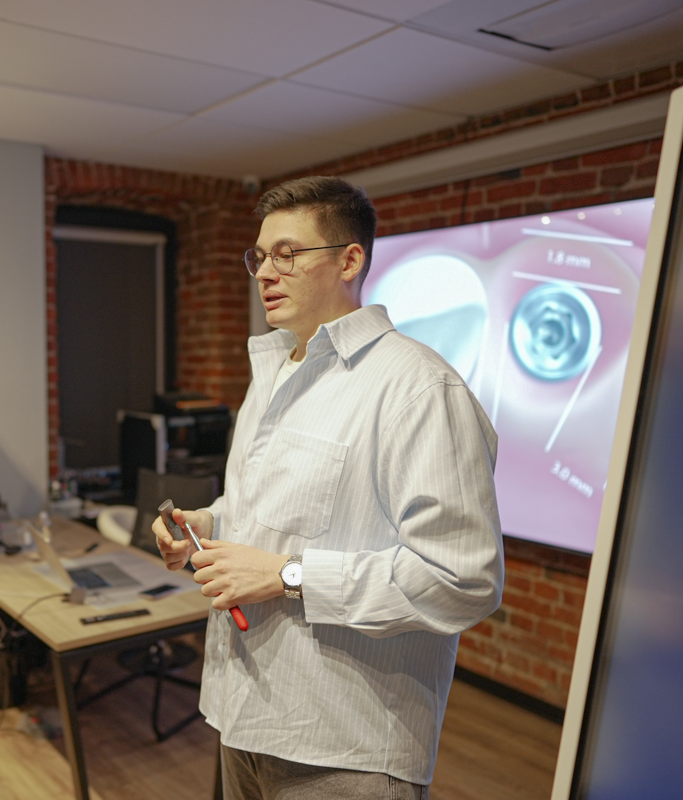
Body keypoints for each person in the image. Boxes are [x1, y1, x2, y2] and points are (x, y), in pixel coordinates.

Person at [153, 176, 504, 799]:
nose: (266, 272)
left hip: (345, 745)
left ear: (349, 260)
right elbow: (278, 508)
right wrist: (210, 524)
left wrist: (289, 576)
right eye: (260, 256)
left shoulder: (418, 388)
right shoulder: (273, 371)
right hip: (243, 714)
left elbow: (462, 578)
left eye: (288, 254)